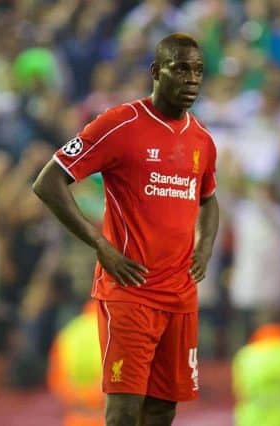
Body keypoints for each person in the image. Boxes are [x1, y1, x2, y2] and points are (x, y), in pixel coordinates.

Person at [33, 33, 219, 426]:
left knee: (163, 409)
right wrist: (100, 243)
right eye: (181, 68)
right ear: (156, 71)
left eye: (198, 71)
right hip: (130, 292)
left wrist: (203, 249)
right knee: (123, 411)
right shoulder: (120, 123)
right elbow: (48, 182)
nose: (191, 80)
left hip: (180, 294)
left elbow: (209, 199)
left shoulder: (201, 138)